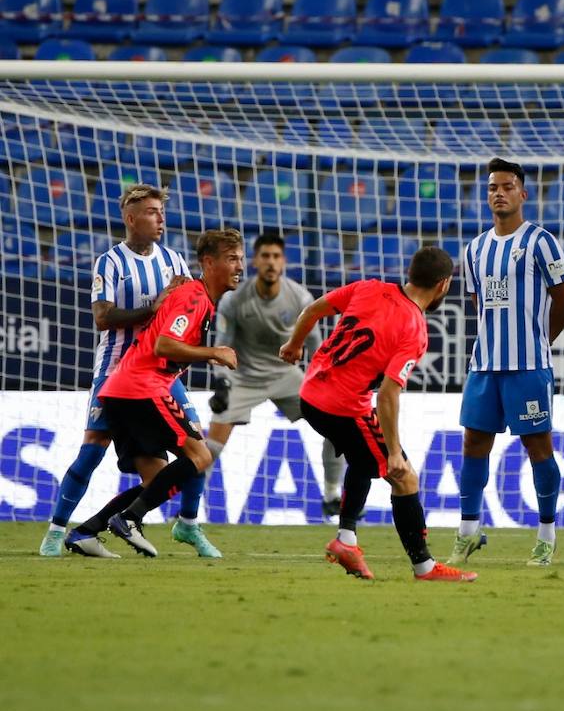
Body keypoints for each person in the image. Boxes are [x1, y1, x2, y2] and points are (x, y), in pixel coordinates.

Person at [41, 184, 217, 559]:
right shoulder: (110, 262)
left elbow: (180, 314)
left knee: (196, 446)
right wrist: (155, 307)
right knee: (92, 451)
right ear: (130, 218)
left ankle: (188, 524)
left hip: (162, 375)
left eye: (161, 211)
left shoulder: (173, 262)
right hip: (116, 370)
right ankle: (56, 531)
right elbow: (103, 318)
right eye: (152, 211)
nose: (160, 218)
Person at [284, 245, 474, 583]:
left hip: (311, 394)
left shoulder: (367, 287)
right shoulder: (414, 328)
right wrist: (394, 451)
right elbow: (388, 394)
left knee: (363, 458)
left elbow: (312, 310)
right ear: (444, 284)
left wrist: (294, 345)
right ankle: (425, 568)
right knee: (404, 476)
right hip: (341, 405)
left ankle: (346, 540)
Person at [65, 228, 244, 560]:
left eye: (241, 259)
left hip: (121, 390)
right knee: (200, 456)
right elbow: (164, 344)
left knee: (155, 482)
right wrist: (214, 352)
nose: (240, 266)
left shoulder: (197, 297)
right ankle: (129, 519)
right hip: (142, 387)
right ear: (208, 262)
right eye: (232, 258)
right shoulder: (195, 297)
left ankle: (86, 532)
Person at [451, 159, 564, 568]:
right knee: (473, 444)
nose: (498, 193)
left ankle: (546, 535)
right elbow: (477, 304)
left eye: (507, 186)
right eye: (492, 188)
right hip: (484, 365)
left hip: (528, 366)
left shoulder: (542, 242)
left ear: (524, 193)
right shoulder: (474, 249)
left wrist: (538, 342)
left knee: (538, 446)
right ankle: (468, 532)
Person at [205, 231, 345, 518]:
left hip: (286, 376)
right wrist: (221, 382)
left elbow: (317, 348)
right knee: (210, 448)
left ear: (283, 262)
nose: (271, 262)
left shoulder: (300, 298)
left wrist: (326, 384)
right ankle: (189, 511)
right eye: (265, 256)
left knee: (337, 428)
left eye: (276, 256)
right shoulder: (235, 300)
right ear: (255, 261)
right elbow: (222, 344)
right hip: (244, 377)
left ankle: (332, 493)